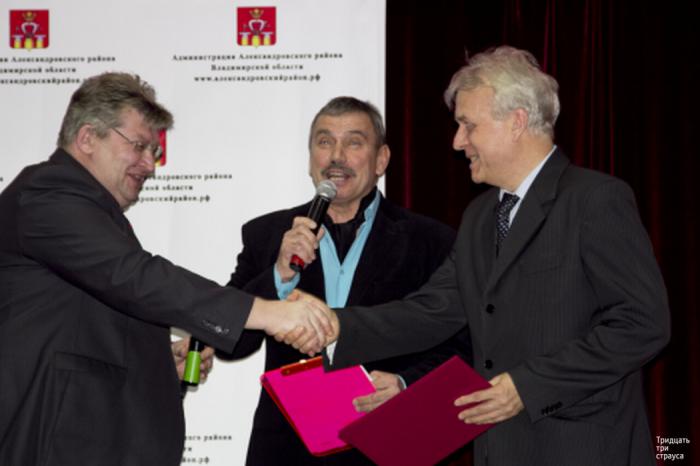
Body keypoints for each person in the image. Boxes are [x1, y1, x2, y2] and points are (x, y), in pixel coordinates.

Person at [286, 46, 671, 466]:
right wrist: (333, 325)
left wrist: (526, 386)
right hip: (498, 450)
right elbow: (431, 311)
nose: (457, 142)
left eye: (468, 125)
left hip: (582, 449)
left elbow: (642, 324)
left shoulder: (594, 200)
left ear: (517, 122)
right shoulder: (480, 216)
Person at [0, 72, 332, 466]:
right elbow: (134, 277)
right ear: (87, 138)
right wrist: (268, 314)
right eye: (139, 146)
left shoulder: (91, 213)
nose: (150, 166)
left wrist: (157, 363)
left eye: (153, 152)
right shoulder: (47, 194)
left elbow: (100, 314)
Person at [223, 96, 470, 465]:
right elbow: (230, 340)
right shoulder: (267, 234)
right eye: (325, 142)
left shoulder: (431, 240)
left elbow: (463, 346)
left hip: (386, 440)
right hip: (286, 449)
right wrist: (279, 275)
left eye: (354, 143)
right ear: (310, 158)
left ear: (381, 160)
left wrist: (406, 384)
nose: (336, 156)